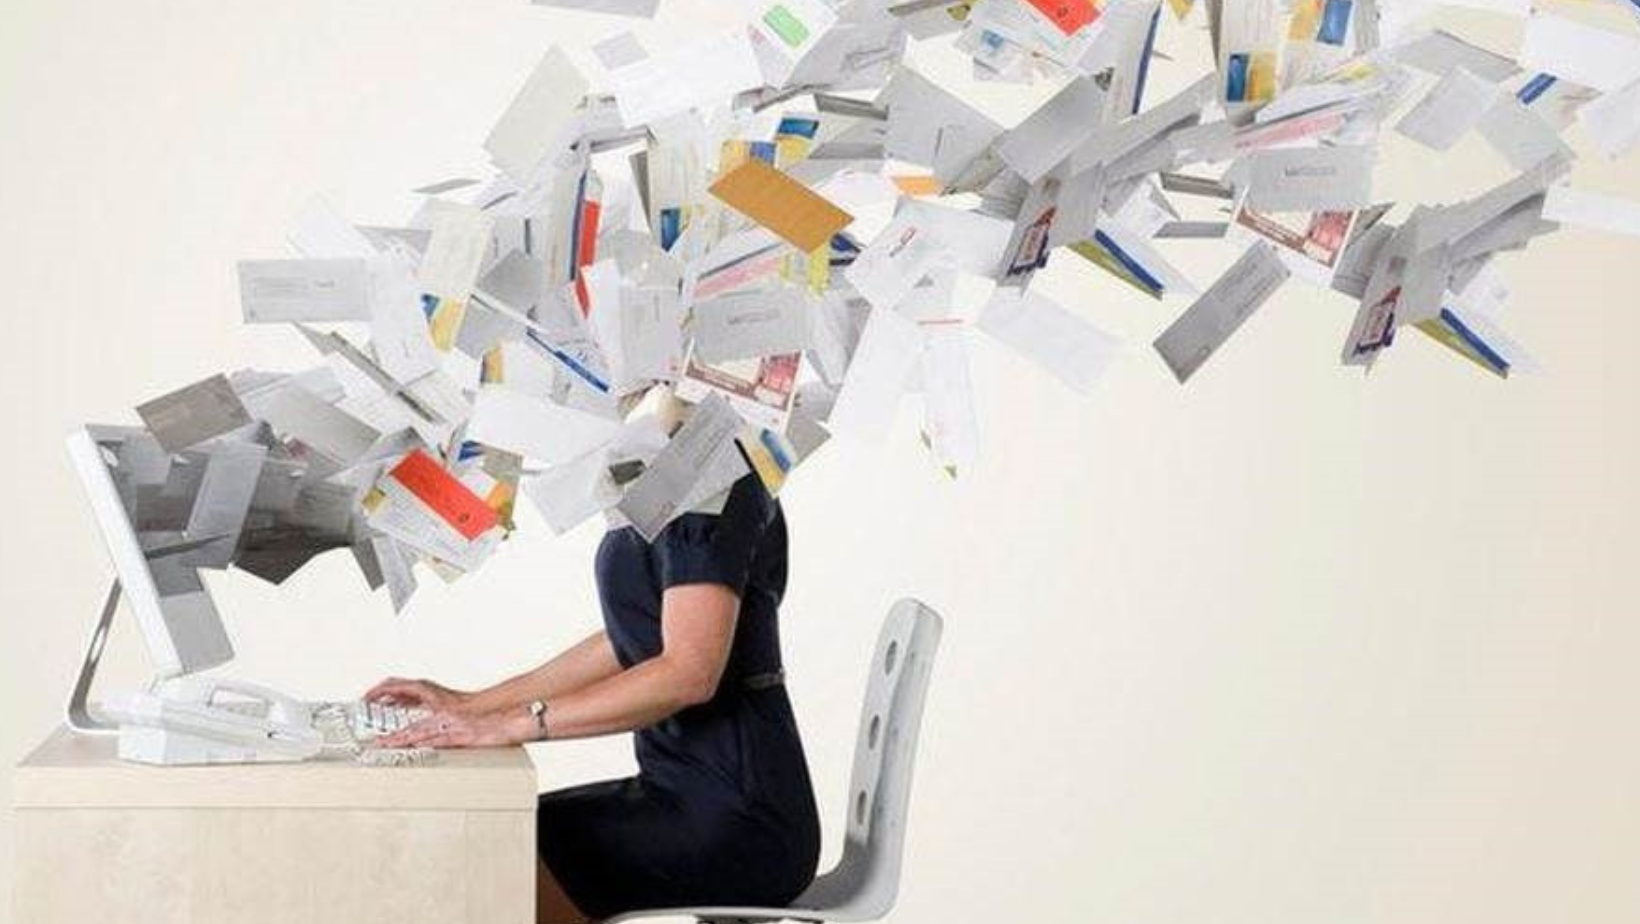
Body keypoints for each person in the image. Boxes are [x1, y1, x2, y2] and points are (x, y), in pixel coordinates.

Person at [365, 457, 820, 924]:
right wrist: (472, 704)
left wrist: (516, 723)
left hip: (738, 815)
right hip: (683, 790)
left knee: (500, 848)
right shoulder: (666, 472)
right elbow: (630, 639)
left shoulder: (712, 475)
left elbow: (688, 671)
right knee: (496, 830)